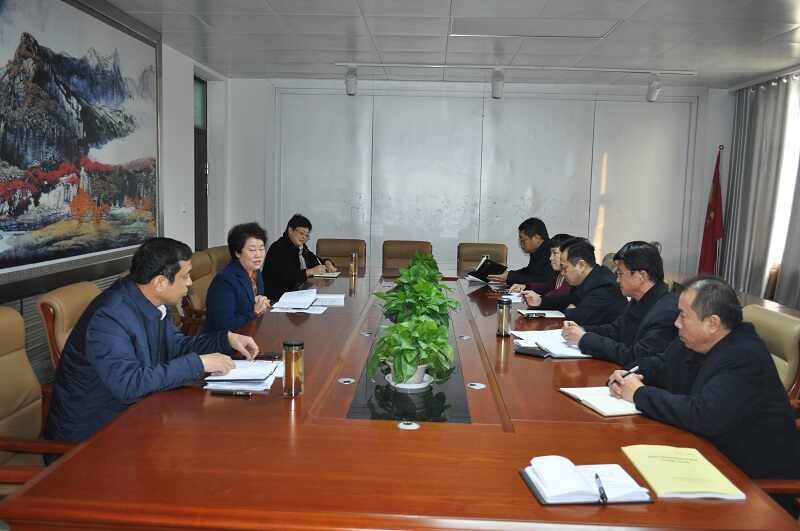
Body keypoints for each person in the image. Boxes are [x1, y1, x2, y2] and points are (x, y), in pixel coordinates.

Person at [45, 238, 259, 444]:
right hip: (93, 438)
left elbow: (175, 346)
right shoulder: (109, 317)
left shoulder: (151, 301)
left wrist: (226, 339)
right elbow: (129, 385)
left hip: (135, 416)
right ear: (160, 282)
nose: (190, 283)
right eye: (185, 276)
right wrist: (199, 364)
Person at [608, 276, 800, 480]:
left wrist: (639, 393)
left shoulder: (744, 356)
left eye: (683, 316)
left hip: (749, 473)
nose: (676, 323)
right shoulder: (695, 340)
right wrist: (627, 375)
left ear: (712, 323)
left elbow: (702, 415)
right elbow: (661, 364)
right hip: (703, 450)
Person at [561, 241, 678, 366]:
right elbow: (616, 330)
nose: (617, 280)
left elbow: (636, 357)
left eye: (620, 274)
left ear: (641, 275)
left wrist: (585, 339)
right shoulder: (639, 299)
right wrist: (582, 330)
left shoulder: (666, 312)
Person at [205, 222, 271, 332]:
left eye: (261, 249)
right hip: (225, 339)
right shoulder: (224, 281)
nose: (258, 255)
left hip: (250, 331)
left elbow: (254, 303)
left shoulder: (256, 272)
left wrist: (262, 303)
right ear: (237, 253)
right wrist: (255, 312)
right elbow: (225, 325)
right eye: (252, 250)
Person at [545, 237, 626, 326]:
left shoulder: (604, 286)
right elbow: (568, 301)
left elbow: (576, 319)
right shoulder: (588, 279)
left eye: (564, 268)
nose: (562, 273)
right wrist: (541, 301)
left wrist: (570, 310)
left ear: (581, 265)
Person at [263, 214, 336, 301]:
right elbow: (286, 278)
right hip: (278, 298)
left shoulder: (301, 247)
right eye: (301, 233)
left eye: (307, 235)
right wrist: (310, 271)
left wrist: (327, 262)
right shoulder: (278, 248)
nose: (304, 237)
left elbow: (315, 260)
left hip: (297, 293)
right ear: (290, 230)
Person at [487, 217, 555, 292]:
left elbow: (543, 281)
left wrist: (510, 277)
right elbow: (530, 271)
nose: (521, 244)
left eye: (523, 240)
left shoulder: (552, 253)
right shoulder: (538, 250)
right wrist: (508, 274)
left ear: (536, 238)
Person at [511, 232, 573, 296]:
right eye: (551, 253)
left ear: (567, 254)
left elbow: (559, 294)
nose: (550, 258)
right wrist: (525, 286)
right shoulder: (559, 274)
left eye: (555, 253)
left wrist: (540, 299)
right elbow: (548, 286)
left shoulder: (570, 277)